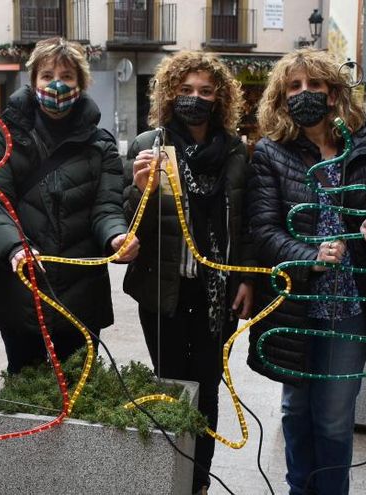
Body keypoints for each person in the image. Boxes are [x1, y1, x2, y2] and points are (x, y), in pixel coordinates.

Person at [246, 48, 366, 495]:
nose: (305, 94)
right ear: (281, 96)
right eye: (294, 86)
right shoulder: (270, 153)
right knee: (295, 411)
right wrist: (308, 255)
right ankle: (300, 489)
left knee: (336, 418)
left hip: (351, 307)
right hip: (295, 305)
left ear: (334, 92)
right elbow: (262, 231)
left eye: (314, 84)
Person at [121, 51, 256, 495]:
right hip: (163, 290)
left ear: (220, 99)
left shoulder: (236, 151)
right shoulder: (148, 146)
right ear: (169, 94)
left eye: (205, 91)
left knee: (208, 388)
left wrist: (247, 279)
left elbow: (249, 222)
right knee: (168, 385)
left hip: (218, 293)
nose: (195, 99)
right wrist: (141, 191)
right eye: (185, 91)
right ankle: (167, 474)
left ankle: (197, 482)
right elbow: (128, 226)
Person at [0, 37, 137, 373]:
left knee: (81, 393)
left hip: (82, 293)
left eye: (67, 75)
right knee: (25, 386)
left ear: (81, 83)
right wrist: (15, 248)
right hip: (21, 289)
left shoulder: (100, 144)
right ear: (33, 81)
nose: (57, 84)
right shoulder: (5, 137)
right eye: (47, 75)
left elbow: (107, 206)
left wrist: (117, 236)